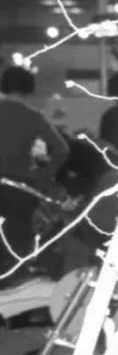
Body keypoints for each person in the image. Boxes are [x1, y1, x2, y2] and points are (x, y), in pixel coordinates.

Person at [0, 65, 68, 283]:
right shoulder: (33, 117)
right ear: (29, 88)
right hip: (21, 187)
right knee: (17, 240)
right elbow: (62, 149)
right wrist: (46, 175)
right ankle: (12, 286)